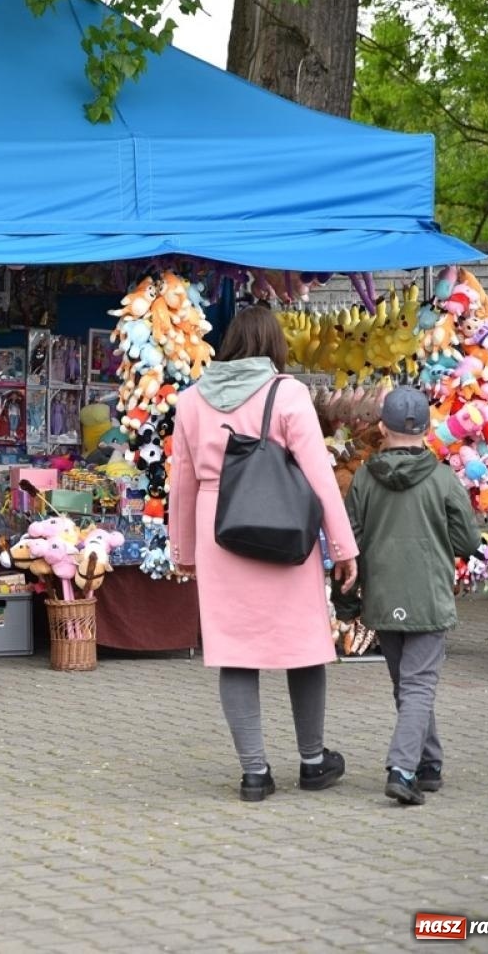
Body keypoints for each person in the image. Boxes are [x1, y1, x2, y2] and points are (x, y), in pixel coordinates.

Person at [167, 305, 359, 802]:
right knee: (304, 647)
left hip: (219, 530)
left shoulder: (190, 401)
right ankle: (313, 761)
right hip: (284, 529)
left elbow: (182, 482)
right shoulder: (287, 393)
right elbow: (319, 475)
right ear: (273, 345)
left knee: (234, 652)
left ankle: (255, 773)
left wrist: (183, 548)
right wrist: (342, 547)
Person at [340, 386, 479, 806]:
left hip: (383, 597)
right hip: (429, 595)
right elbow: (468, 539)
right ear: (428, 428)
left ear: (382, 427)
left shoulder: (364, 478)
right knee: (417, 686)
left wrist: (348, 603)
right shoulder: (441, 478)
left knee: (408, 685)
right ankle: (402, 769)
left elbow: (350, 543)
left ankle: (429, 763)